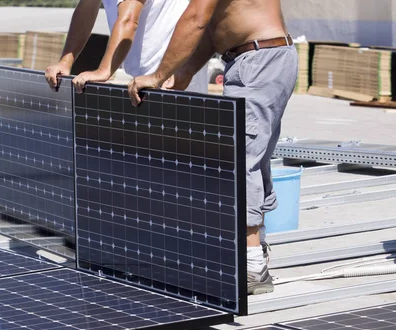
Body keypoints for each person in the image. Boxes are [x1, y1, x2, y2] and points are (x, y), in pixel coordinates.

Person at [127, 0, 298, 295]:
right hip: (266, 55)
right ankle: (256, 250)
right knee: (254, 157)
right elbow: (215, 28)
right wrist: (187, 70)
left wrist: (156, 76)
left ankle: (252, 265)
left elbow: (197, 19)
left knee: (239, 161)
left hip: (257, 59)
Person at [44, 0, 208, 94]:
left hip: (174, 72)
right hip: (145, 74)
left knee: (178, 146)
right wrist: (65, 61)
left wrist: (104, 71)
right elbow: (86, 10)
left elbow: (129, 20)